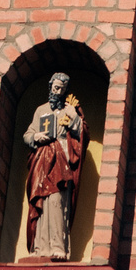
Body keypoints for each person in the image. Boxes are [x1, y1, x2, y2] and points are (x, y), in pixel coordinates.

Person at [21, 71, 86, 259]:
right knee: (40, 203)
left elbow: (82, 134)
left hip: (61, 161)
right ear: (50, 87)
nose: (57, 92)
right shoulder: (41, 110)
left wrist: (74, 117)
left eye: (62, 89)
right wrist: (36, 137)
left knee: (57, 203)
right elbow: (27, 134)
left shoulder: (69, 110)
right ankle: (39, 249)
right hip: (42, 161)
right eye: (55, 87)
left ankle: (58, 247)